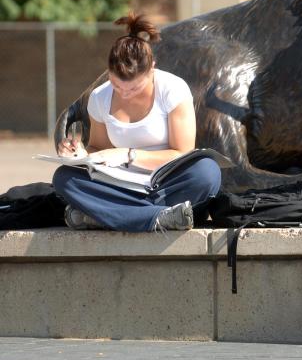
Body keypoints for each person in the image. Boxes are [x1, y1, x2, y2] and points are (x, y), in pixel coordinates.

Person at [53, 12, 221, 232]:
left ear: (152, 67)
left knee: (207, 172)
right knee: (65, 178)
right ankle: (158, 217)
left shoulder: (173, 89)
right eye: (117, 86)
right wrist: (80, 155)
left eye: (134, 88)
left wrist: (129, 154)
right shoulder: (99, 97)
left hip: (168, 182)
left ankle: (105, 216)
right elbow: (98, 148)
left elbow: (182, 153)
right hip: (121, 184)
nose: (124, 94)